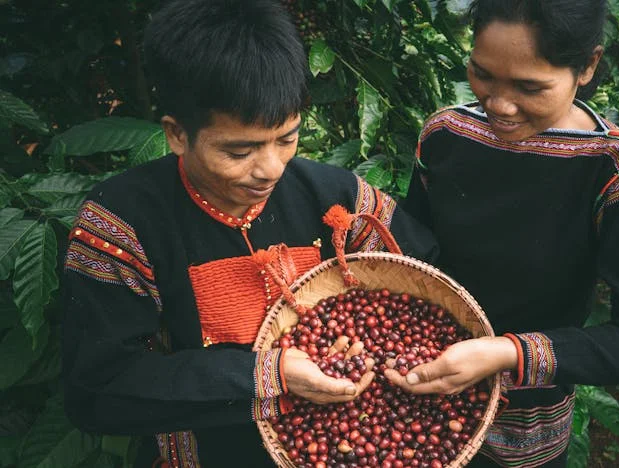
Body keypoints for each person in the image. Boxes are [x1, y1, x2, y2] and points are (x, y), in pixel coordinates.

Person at [60, 0, 437, 466]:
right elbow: (98, 391)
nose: (271, 168)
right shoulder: (123, 225)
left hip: (349, 445)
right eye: (240, 151)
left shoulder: (335, 198)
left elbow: (426, 282)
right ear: (177, 135)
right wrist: (266, 374)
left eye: (287, 138)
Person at [386, 0, 619, 466]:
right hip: (415, 392)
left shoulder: (618, 172)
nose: (500, 105)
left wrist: (508, 353)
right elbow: (414, 262)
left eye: (530, 87)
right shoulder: (447, 135)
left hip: (523, 424)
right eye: (482, 75)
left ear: (587, 66)